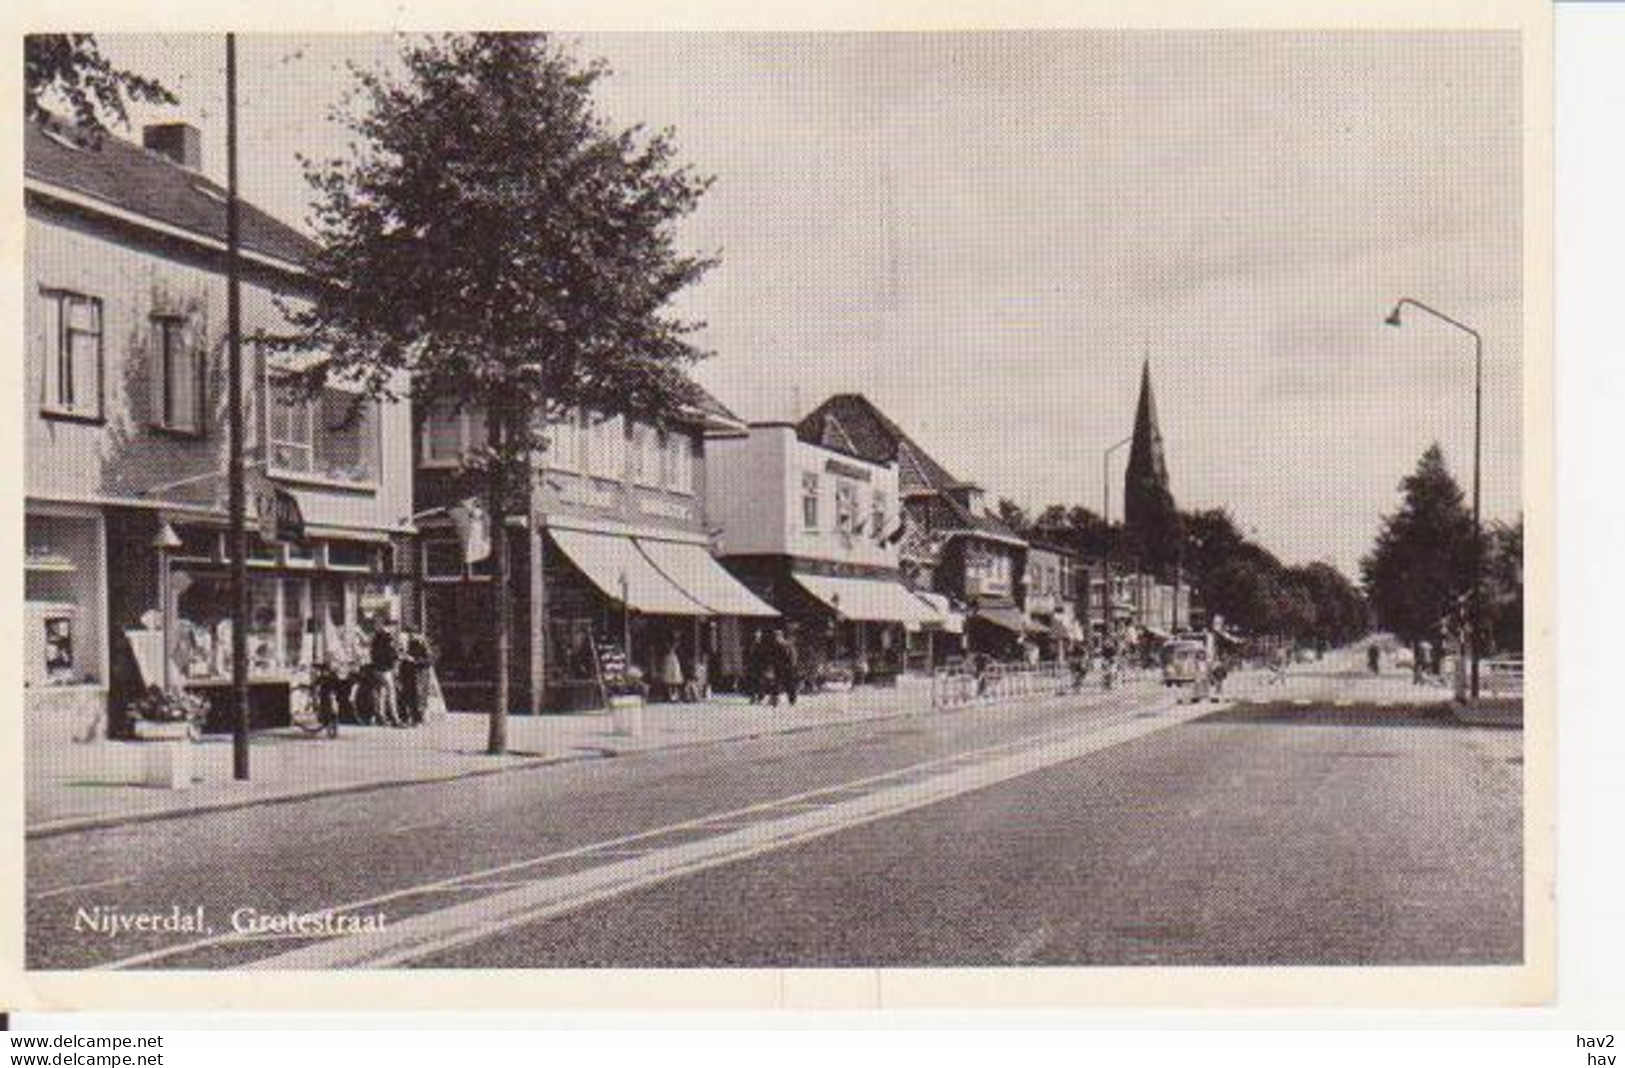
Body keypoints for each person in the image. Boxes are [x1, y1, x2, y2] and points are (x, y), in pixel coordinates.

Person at [369, 618, 402, 727]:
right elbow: (390, 653)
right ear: (390, 626)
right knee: (391, 693)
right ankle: (395, 718)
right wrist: (396, 659)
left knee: (381, 692)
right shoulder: (388, 637)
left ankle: (380, 717)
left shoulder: (376, 636)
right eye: (394, 627)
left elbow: (373, 652)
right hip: (385, 669)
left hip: (376, 668)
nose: (395, 629)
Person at [768, 629, 798, 707]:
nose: (776, 638)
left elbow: (792, 657)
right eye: (775, 637)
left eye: (777, 636)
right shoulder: (774, 646)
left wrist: (791, 666)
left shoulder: (787, 645)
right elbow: (773, 658)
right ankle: (775, 701)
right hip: (778, 669)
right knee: (775, 684)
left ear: (781, 636)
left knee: (789, 685)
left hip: (787, 669)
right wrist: (772, 667)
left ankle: (792, 700)